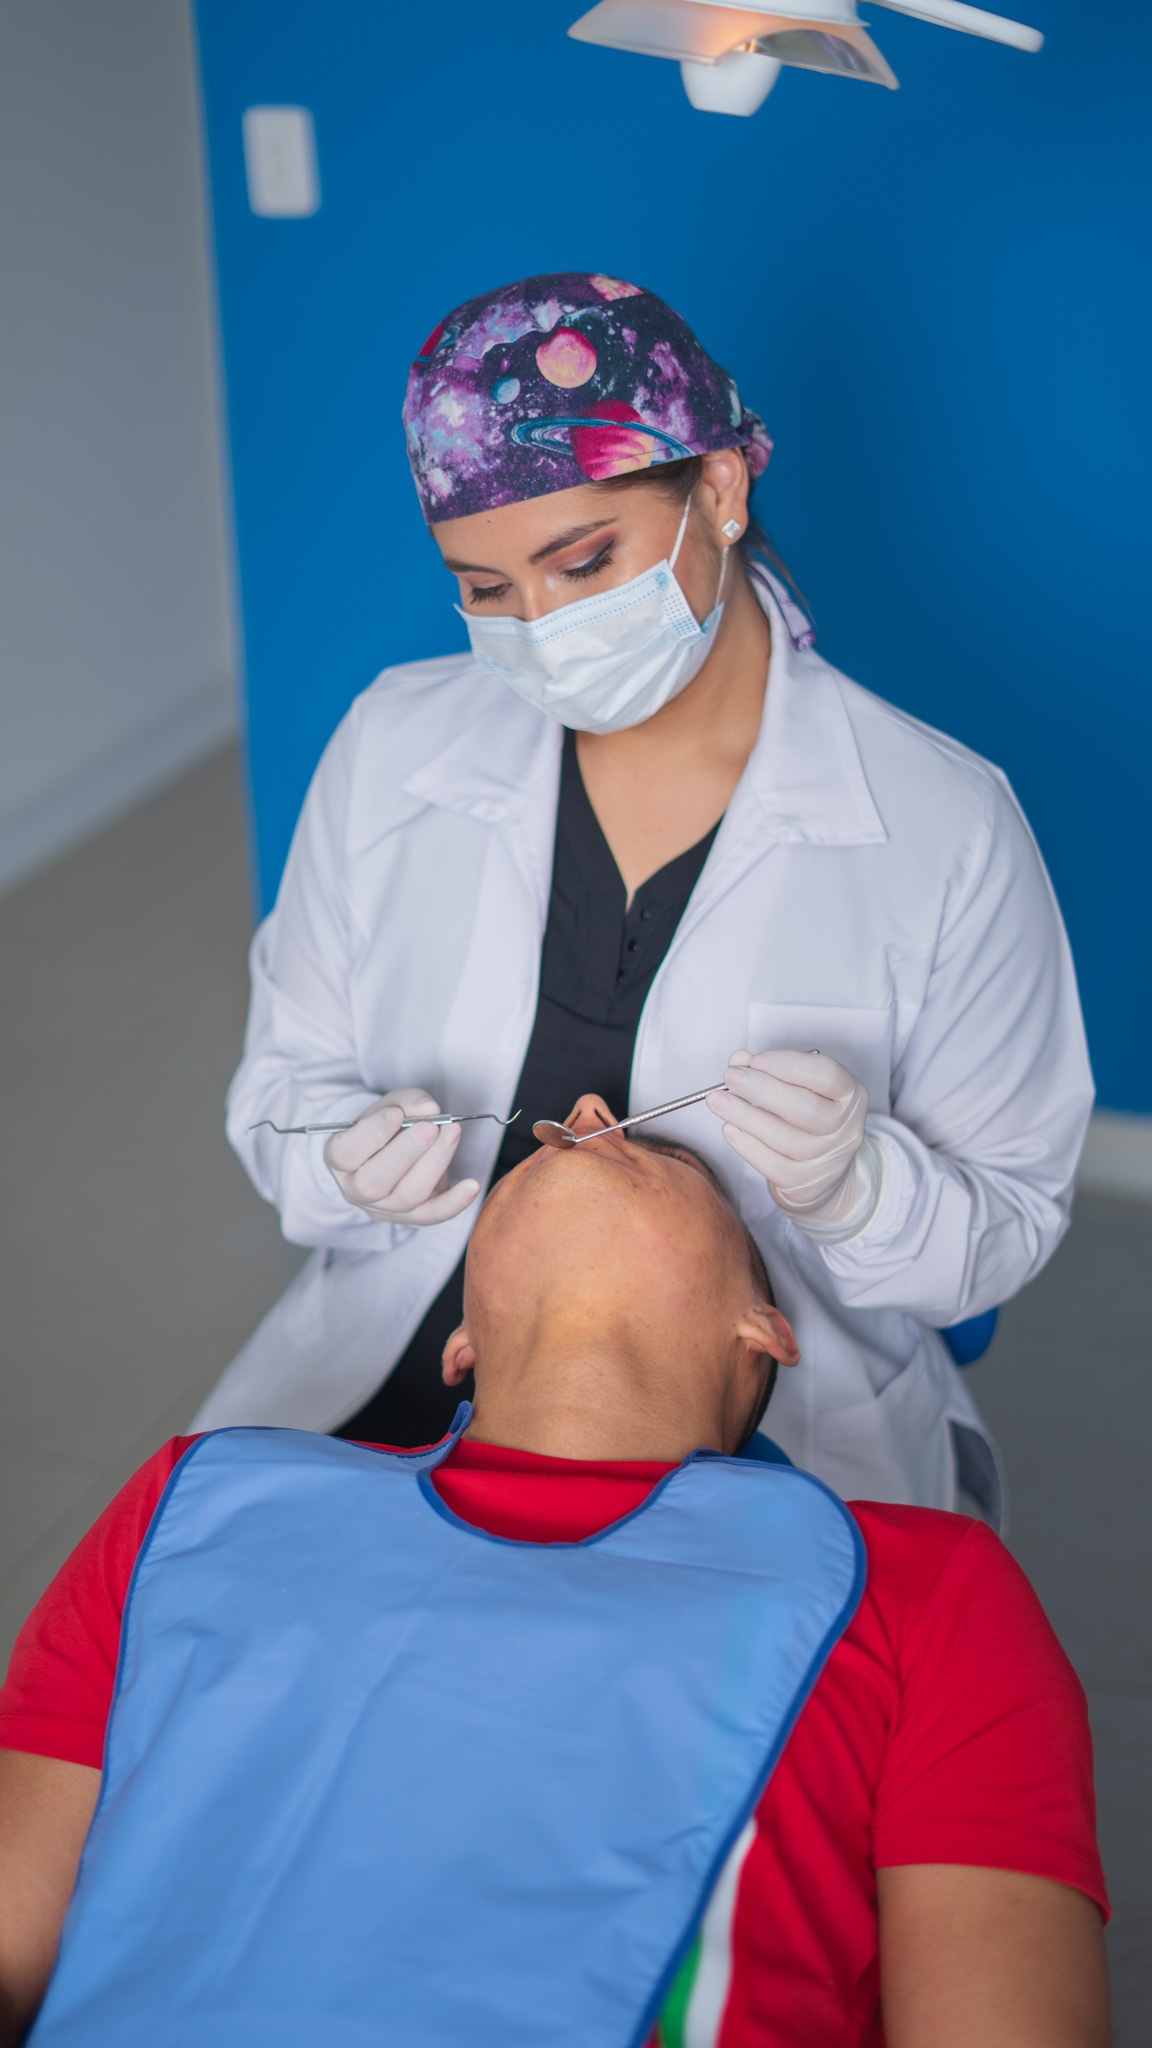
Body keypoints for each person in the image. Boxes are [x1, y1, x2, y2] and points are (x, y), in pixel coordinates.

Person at [196, 270, 1093, 1521]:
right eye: (486, 589)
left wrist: (861, 1187)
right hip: (410, 1378)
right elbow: (275, 1097)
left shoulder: (942, 821)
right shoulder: (394, 746)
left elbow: (1003, 1218)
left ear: (717, 489)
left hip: (777, 1445)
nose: (540, 627)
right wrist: (341, 1161)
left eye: (581, 561)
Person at [0, 1100, 1109, 2047]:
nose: (581, 1115)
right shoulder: (194, 1498)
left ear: (763, 1330)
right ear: (460, 1346)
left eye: (668, 1154)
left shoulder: (927, 1587)